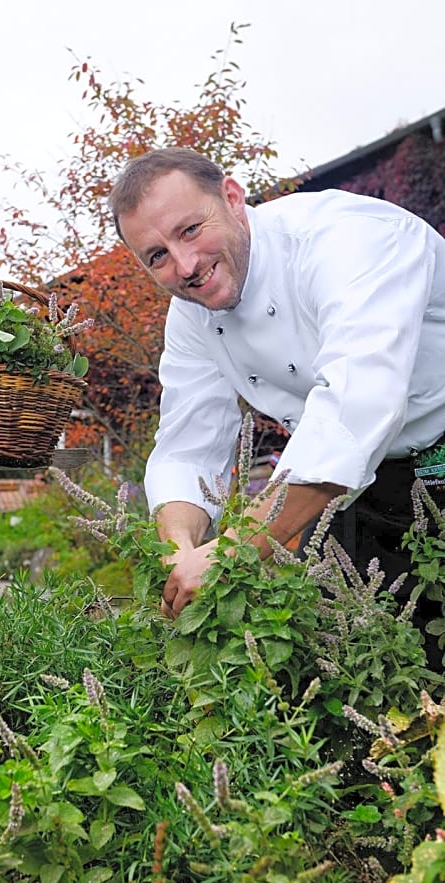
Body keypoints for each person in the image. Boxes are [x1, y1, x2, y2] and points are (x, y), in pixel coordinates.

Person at [108, 147, 445, 656]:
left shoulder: (348, 240)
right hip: (364, 484)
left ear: (232, 197)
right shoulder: (192, 317)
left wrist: (234, 549)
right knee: (336, 657)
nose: (186, 265)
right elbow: (187, 448)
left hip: (413, 444)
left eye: (190, 230)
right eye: (157, 256)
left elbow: (355, 409)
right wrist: (178, 550)